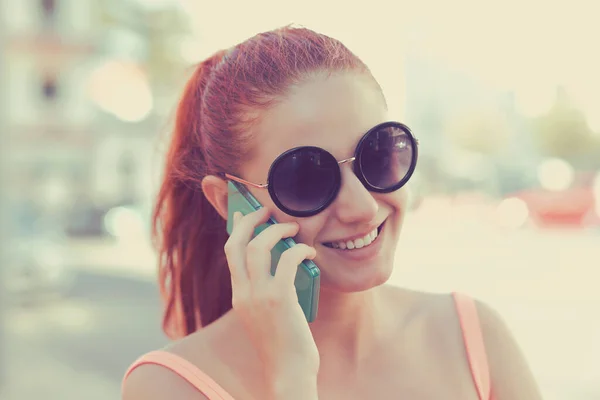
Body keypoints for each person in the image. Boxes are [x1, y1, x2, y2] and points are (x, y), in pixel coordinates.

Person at [122, 25, 542, 400]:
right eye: (306, 178)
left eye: (376, 155)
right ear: (228, 201)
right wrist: (291, 378)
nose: (362, 207)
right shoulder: (169, 386)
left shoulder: (474, 337)